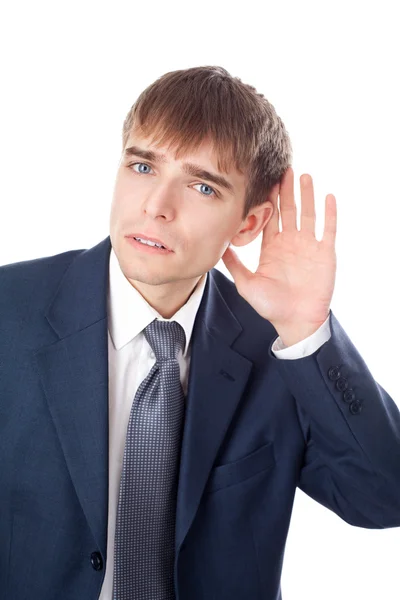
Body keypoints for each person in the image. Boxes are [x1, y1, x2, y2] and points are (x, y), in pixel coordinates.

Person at [1, 65, 399, 600]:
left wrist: (308, 331)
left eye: (202, 186)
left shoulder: (283, 350)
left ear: (248, 224)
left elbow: (383, 498)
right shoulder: (10, 310)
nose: (156, 208)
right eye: (143, 166)